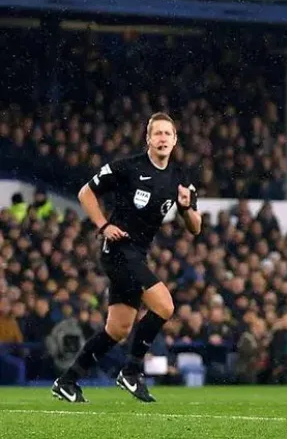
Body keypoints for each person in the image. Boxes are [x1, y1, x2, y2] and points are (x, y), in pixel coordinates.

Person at [52, 112, 201, 404]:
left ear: (175, 140)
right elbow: (85, 193)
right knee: (164, 305)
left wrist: (186, 208)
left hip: (138, 255)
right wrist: (103, 226)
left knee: (118, 329)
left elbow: (196, 228)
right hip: (117, 250)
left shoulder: (179, 177)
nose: (161, 139)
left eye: (167, 134)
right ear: (148, 139)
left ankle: (66, 381)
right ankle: (131, 372)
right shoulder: (127, 167)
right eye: (156, 133)